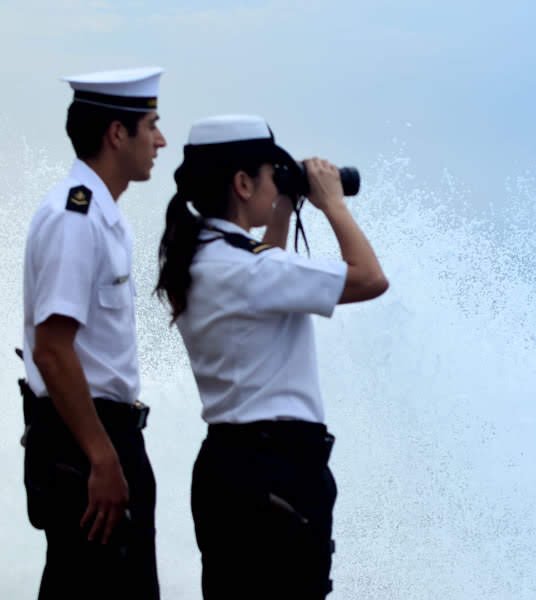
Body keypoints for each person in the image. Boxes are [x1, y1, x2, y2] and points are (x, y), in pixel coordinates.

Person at [155, 114, 388, 598]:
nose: (275, 182)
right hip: (277, 471)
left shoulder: (202, 256)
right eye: (269, 174)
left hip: (229, 466)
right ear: (242, 183)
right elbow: (369, 278)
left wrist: (282, 205)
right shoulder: (248, 269)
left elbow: (263, 272)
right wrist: (332, 205)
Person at [21, 67, 166, 599]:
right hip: (87, 444)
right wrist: (103, 458)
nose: (160, 140)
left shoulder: (101, 214)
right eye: (151, 125)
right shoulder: (75, 217)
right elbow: (53, 350)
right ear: (116, 134)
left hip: (100, 437)